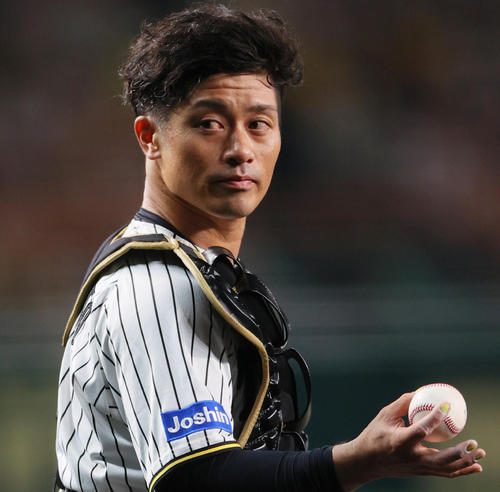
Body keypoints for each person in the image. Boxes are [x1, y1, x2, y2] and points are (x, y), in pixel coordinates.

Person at [55, 4, 486, 491]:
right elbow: (193, 479)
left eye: (258, 124)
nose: (240, 149)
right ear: (150, 137)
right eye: (209, 123)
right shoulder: (159, 286)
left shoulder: (188, 268)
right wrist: (353, 462)